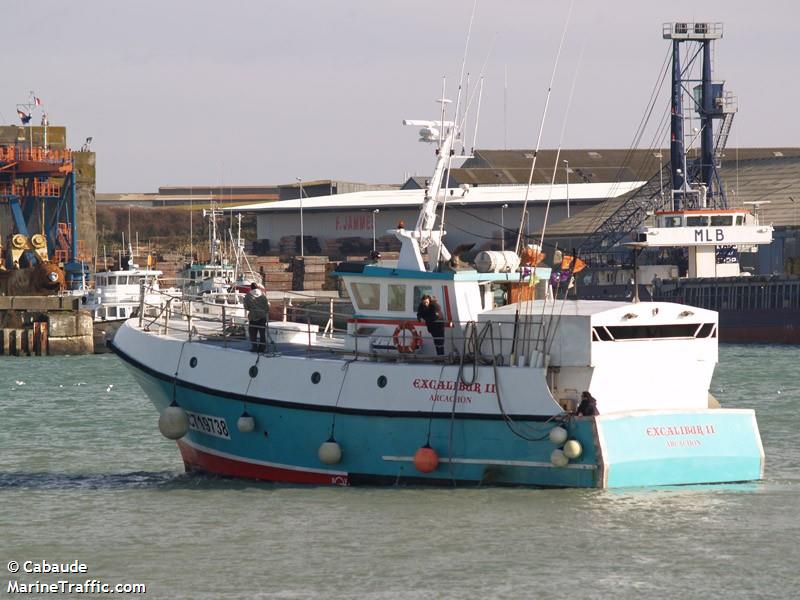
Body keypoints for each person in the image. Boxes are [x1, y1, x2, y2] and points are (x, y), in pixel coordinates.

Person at [243, 282, 269, 352]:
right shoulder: (263, 295)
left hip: (253, 316)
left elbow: (246, 307)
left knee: (252, 333)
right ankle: (262, 348)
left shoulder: (248, 296)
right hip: (262, 316)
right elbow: (267, 307)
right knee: (262, 333)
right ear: (257, 287)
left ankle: (254, 347)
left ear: (251, 288)